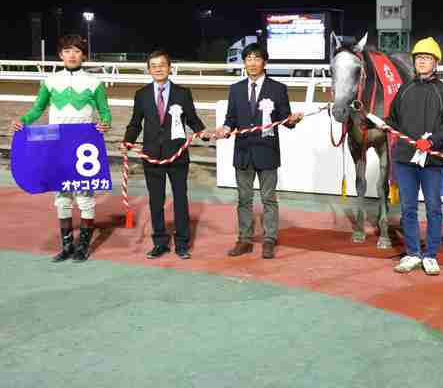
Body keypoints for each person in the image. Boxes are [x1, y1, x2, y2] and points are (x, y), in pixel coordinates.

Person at [11, 34, 111, 262]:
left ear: (84, 55)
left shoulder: (95, 82)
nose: (72, 55)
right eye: (67, 51)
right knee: (62, 196)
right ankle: (67, 246)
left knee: (85, 196)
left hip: (84, 145)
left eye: (77, 51)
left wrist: (105, 123)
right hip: (57, 144)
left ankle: (83, 245)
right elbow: (37, 110)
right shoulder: (50, 81)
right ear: (60, 55)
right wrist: (23, 121)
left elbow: (105, 112)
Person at [219, 43, 303, 260]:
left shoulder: (278, 88)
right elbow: (231, 119)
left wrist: (292, 120)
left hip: (267, 152)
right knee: (244, 199)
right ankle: (244, 239)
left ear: (264, 62)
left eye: (257, 58)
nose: (252, 63)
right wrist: (225, 129)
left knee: (268, 199)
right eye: (248, 59)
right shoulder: (236, 89)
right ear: (244, 62)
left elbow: (285, 118)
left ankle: (269, 239)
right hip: (243, 152)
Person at [122, 50, 207, 260]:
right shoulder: (141, 94)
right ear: (149, 70)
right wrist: (127, 141)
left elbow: (192, 119)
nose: (158, 69)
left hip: (177, 154)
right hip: (151, 156)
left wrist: (203, 133)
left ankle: (182, 243)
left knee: (180, 199)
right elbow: (135, 123)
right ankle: (160, 242)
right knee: (156, 200)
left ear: (170, 68)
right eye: (154, 66)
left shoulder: (182, 93)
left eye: (162, 65)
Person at [385, 37, 443, 276]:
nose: (422, 62)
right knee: (408, 208)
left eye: (427, 58)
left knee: (434, 208)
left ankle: (431, 255)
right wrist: (379, 123)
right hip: (405, 159)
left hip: (432, 160)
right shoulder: (405, 89)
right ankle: (413, 253)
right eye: (418, 58)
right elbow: (393, 120)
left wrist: (432, 141)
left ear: (436, 63)